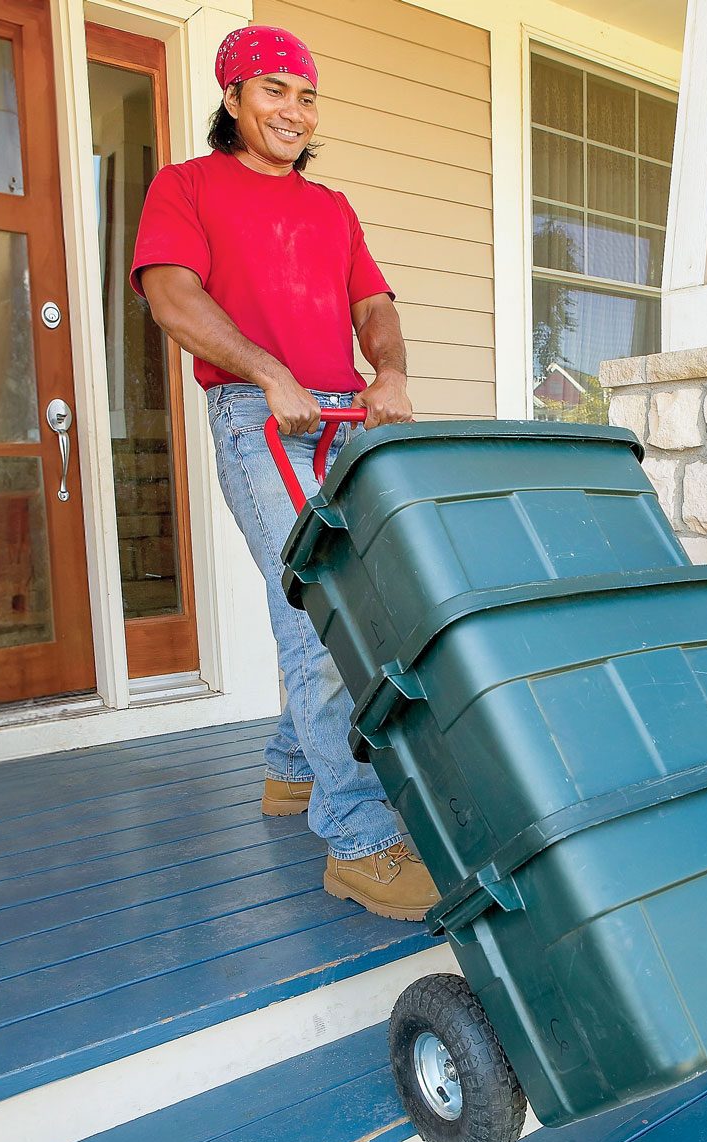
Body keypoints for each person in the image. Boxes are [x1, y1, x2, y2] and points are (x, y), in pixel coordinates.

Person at [129, 25, 438, 922]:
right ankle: (359, 839)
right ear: (232, 98)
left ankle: (293, 769)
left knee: (341, 603)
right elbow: (171, 295)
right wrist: (270, 373)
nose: (294, 111)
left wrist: (390, 372)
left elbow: (372, 303)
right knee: (318, 612)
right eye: (273, 91)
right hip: (259, 416)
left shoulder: (330, 208)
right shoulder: (186, 185)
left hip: (344, 421)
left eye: (306, 96)